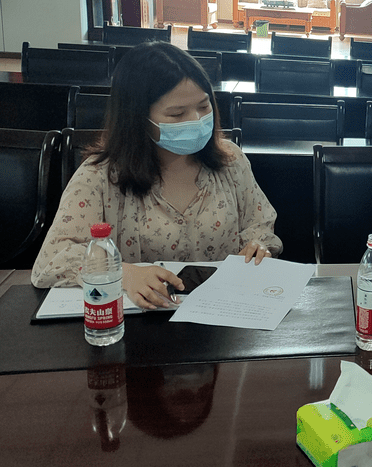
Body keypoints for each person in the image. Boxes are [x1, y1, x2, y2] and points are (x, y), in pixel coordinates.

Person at [31, 42, 282, 307]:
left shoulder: (231, 161)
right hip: (144, 320)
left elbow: (260, 225)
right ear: (137, 118)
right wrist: (123, 273)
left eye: (204, 106)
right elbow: (51, 259)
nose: (196, 120)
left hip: (223, 312)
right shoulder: (100, 176)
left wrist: (258, 247)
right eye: (177, 114)